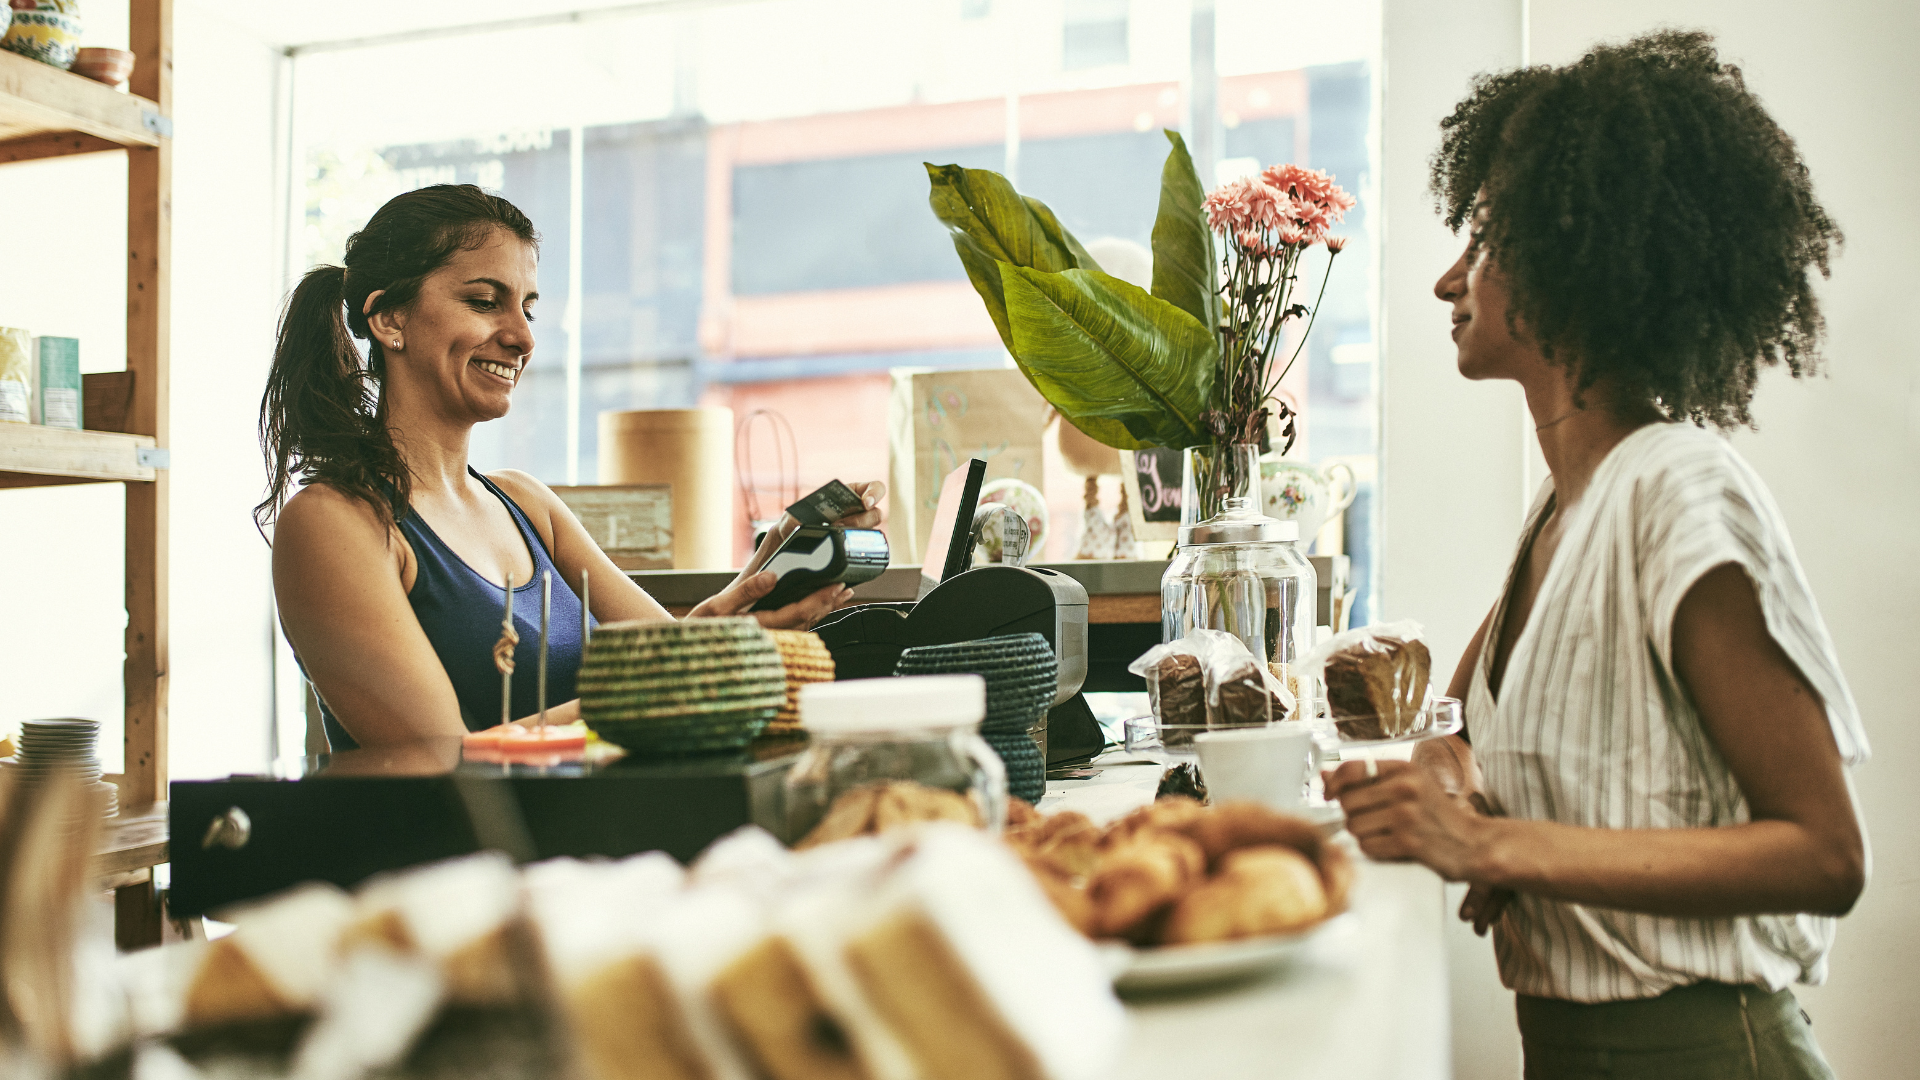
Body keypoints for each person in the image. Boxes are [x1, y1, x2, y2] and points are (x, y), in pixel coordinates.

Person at [1325, 32, 1868, 1079]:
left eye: (1482, 240)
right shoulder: (1561, 510)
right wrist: (1450, 776)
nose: (1449, 279)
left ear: (1578, 252)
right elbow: (1466, 717)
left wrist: (1491, 847)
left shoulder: (1677, 493)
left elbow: (1826, 854)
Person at [257, 184, 882, 751]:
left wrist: (768, 568)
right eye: (484, 302)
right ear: (389, 318)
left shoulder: (527, 503)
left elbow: (673, 658)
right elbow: (442, 760)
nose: (522, 337)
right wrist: (642, 694)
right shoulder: (333, 523)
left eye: (527, 308)